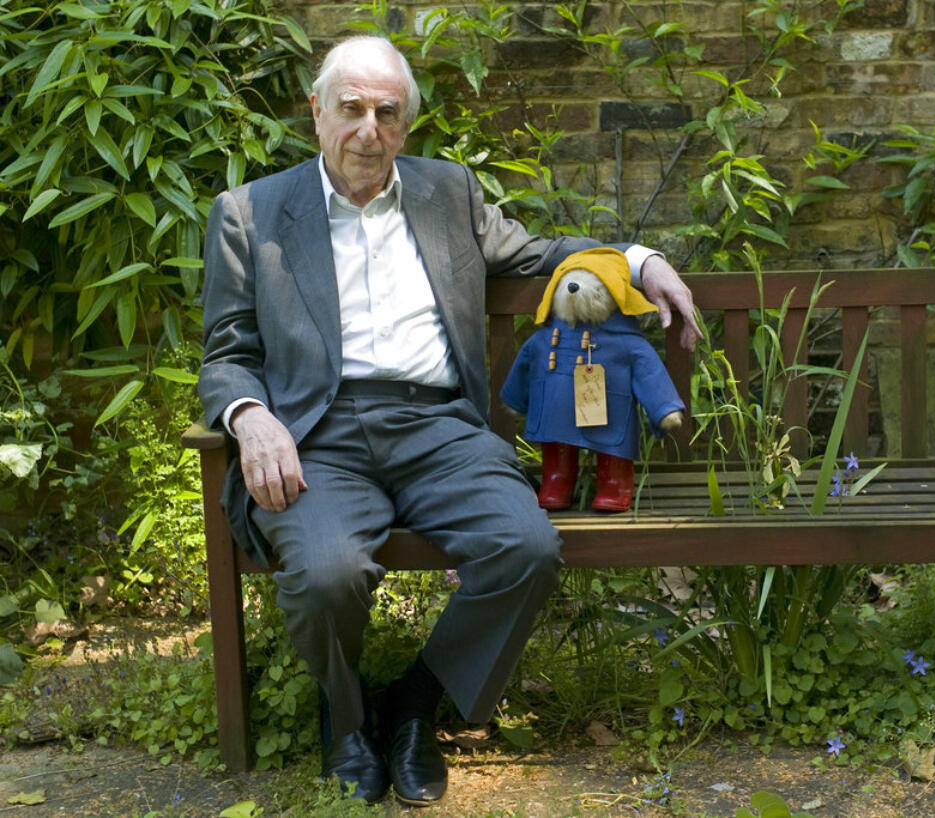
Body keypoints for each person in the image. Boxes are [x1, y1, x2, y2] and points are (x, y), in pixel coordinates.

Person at [197, 35, 700, 806]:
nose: (369, 128)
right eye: (353, 109)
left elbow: (539, 256)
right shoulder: (250, 213)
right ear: (317, 113)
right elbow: (226, 350)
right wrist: (250, 413)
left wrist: (637, 259)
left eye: (387, 112)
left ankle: (414, 704)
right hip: (318, 436)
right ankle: (346, 717)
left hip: (437, 429)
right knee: (328, 573)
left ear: (405, 125)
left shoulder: (447, 193)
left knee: (525, 546)